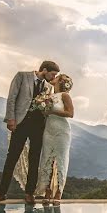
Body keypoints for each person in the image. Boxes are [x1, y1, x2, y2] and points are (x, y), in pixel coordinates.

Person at [0, 61, 60, 205]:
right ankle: (1, 193)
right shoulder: (22, 76)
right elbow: (12, 98)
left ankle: (29, 193)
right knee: (12, 158)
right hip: (20, 123)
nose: (53, 78)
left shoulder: (48, 87)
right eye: (52, 74)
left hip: (39, 127)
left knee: (34, 160)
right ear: (44, 70)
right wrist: (11, 119)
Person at [34, 73, 74, 204]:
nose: (53, 78)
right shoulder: (48, 96)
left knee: (60, 160)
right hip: (48, 131)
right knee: (46, 159)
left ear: (61, 81)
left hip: (62, 131)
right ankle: (47, 191)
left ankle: (58, 192)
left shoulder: (65, 96)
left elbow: (70, 113)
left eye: (56, 77)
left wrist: (52, 111)